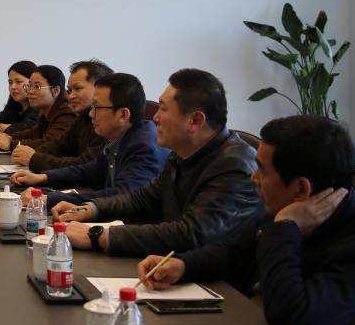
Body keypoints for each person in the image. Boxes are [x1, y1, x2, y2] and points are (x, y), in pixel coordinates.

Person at [138, 115, 355, 325]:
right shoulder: (283, 203)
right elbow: (233, 252)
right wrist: (183, 265)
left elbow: (288, 312)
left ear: (300, 189)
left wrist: (285, 227)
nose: (253, 178)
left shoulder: (353, 243)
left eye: (262, 170)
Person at [55, 68, 260, 257]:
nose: (155, 117)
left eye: (163, 108)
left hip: (214, 279)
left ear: (196, 121)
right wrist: (90, 209)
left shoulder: (234, 166)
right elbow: (141, 200)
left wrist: (97, 235)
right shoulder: (181, 154)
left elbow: (190, 233)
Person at [10, 73, 166, 210]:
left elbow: (121, 196)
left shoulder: (144, 147)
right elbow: (90, 171)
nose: (91, 113)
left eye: (97, 107)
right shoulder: (118, 135)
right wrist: (43, 177)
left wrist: (48, 200)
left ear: (123, 114)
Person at [10, 59, 112, 170]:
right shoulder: (82, 117)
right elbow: (57, 145)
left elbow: (86, 165)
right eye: (70, 90)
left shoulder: (71, 114)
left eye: (78, 88)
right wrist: (29, 154)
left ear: (101, 89)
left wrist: (33, 157)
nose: (71, 96)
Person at [0, 64, 76, 155]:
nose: (30, 91)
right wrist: (9, 137)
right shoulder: (45, 111)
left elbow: (48, 144)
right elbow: (33, 133)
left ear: (55, 91)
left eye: (37, 86)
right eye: (29, 86)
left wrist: (11, 144)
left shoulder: (67, 114)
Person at [0, 60, 39, 136]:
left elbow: (32, 127)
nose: (13, 87)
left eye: (18, 82)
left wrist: (11, 129)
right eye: (10, 82)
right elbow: (1, 118)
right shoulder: (15, 104)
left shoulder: (40, 106)